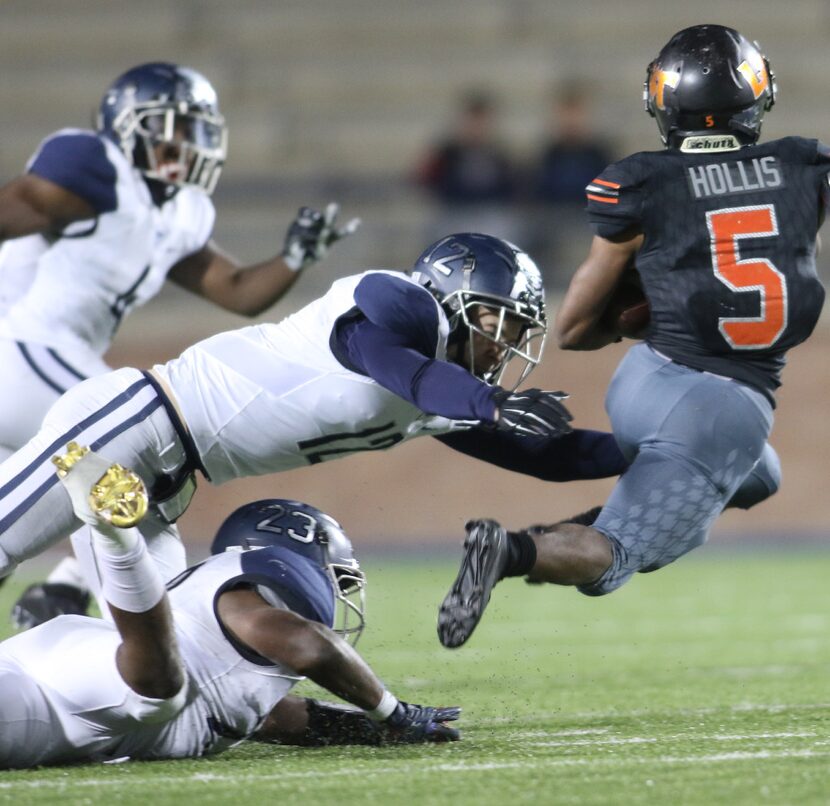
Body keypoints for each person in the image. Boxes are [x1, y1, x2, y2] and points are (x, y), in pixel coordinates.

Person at [436, 24, 821, 648]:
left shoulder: (641, 183)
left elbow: (575, 329)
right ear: (756, 93)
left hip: (646, 380)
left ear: (665, 102)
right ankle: (511, 550)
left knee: (759, 477)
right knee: (611, 558)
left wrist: (636, 311)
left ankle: (590, 524)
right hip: (723, 406)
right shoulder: (806, 167)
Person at [0, 232, 629, 613]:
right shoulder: (399, 302)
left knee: (175, 657)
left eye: (518, 333)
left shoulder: (449, 388)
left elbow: (553, 455)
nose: (504, 349)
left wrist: (659, 453)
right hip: (135, 420)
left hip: (170, 480)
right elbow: (386, 362)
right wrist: (484, 401)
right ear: (454, 301)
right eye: (498, 326)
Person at [0, 61, 358, 626]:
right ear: (127, 125)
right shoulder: (94, 164)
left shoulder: (182, 210)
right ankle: (119, 613)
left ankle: (66, 595)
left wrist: (294, 258)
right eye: (172, 126)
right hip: (18, 347)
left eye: (195, 130)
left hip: (45, 370)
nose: (186, 143)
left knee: (78, 492)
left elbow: (236, 290)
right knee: (143, 456)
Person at [0, 444, 460, 768]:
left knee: (161, 693)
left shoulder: (220, 628)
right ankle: (114, 535)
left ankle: (113, 534)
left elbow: (272, 718)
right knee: (158, 692)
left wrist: (371, 728)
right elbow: (306, 645)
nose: (337, 590)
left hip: (66, 667)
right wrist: (392, 713)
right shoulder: (253, 592)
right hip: (77, 689)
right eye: (332, 572)